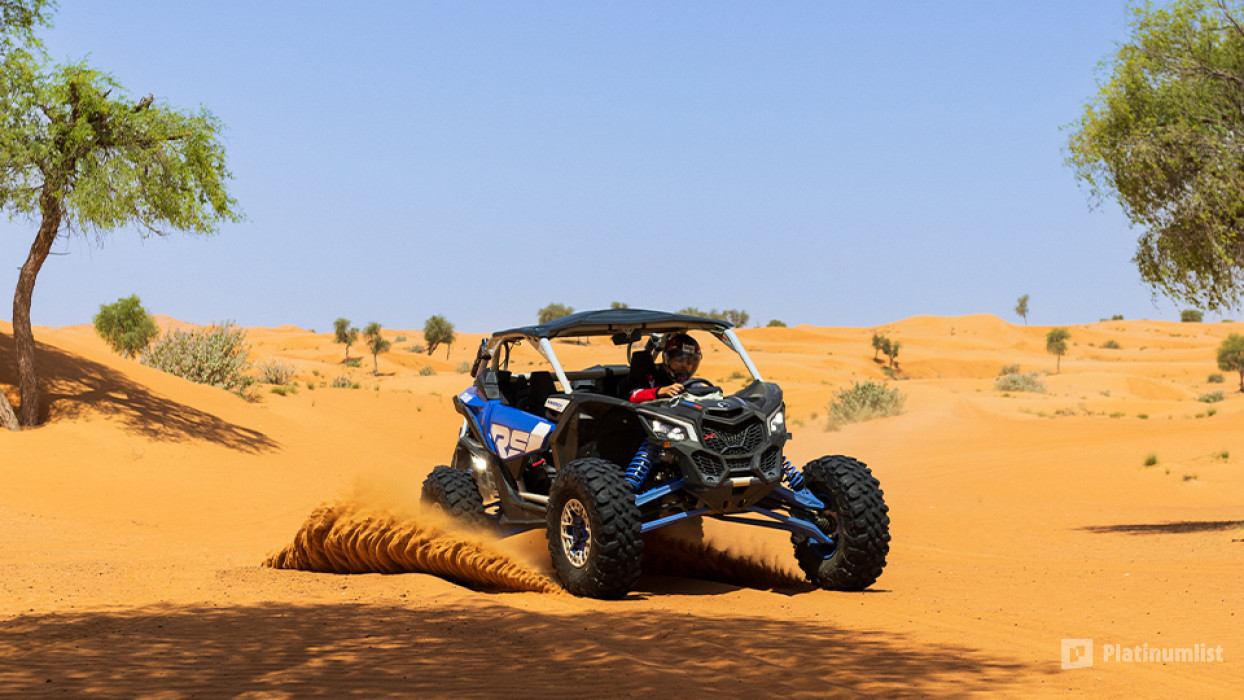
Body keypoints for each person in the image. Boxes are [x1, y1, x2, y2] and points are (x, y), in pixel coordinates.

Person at [627, 332, 702, 402]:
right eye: (680, 359)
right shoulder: (652, 378)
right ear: (668, 359)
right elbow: (633, 396)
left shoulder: (693, 384)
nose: (684, 365)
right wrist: (658, 392)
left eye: (690, 361)